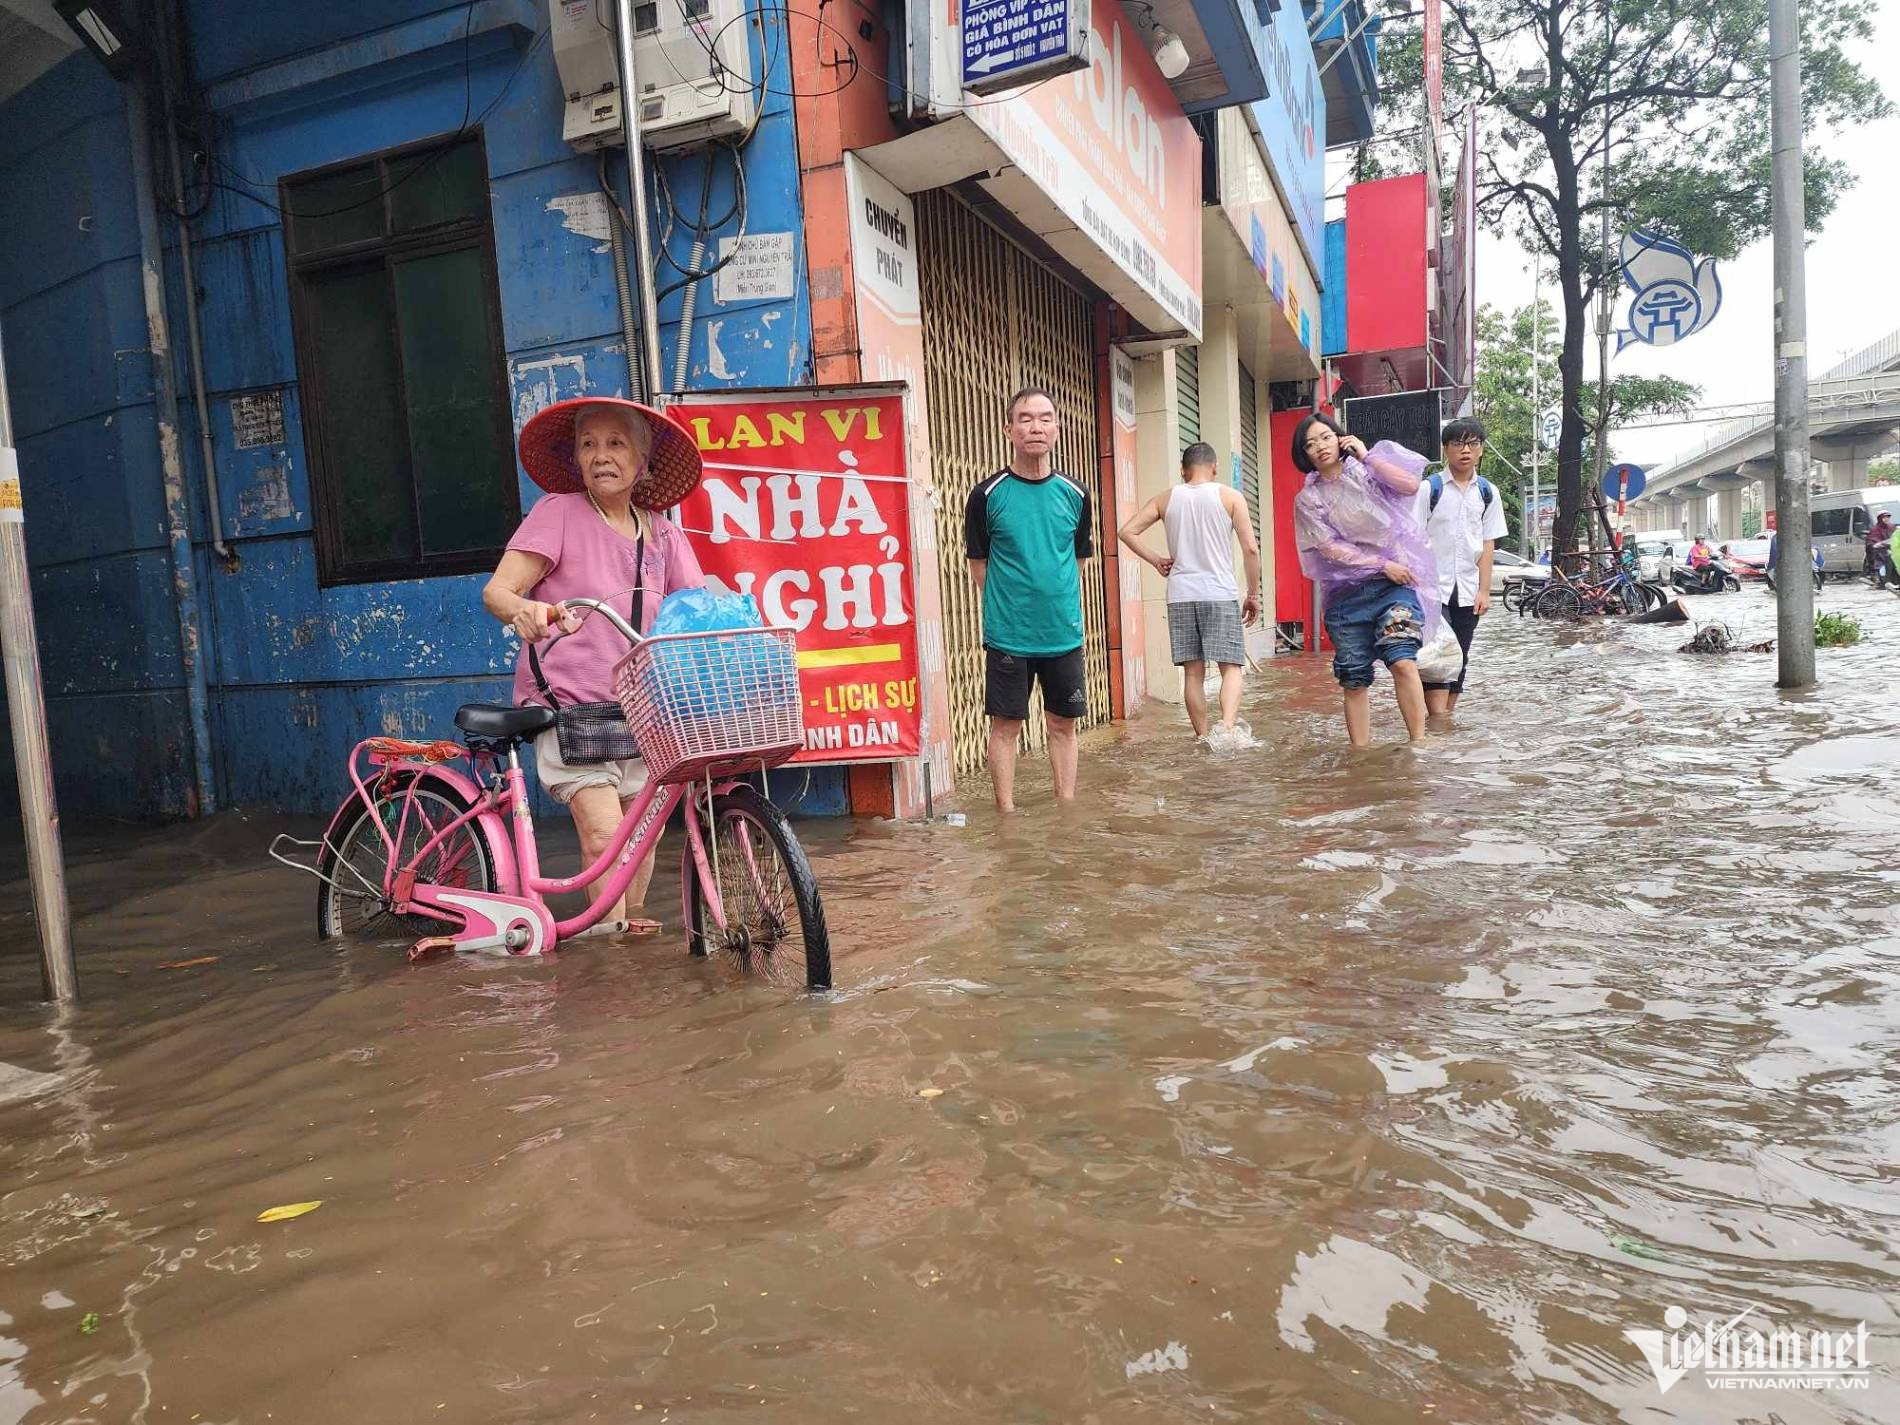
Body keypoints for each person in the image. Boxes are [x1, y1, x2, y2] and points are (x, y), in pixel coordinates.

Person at [482, 397, 706, 931]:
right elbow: (497, 591)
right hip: (569, 710)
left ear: (643, 461)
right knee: (605, 833)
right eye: (589, 444)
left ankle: (628, 937)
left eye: (615, 443)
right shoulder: (557, 514)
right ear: (578, 461)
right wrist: (526, 609)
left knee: (643, 831)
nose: (600, 455)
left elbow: (695, 611)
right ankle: (610, 948)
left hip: (641, 711)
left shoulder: (665, 535)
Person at [965, 388, 1093, 812]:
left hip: (1063, 633)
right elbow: (979, 566)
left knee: (1063, 724)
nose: (1035, 426)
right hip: (1009, 636)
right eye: (1025, 418)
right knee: (1006, 726)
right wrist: (1011, 608)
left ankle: (1067, 812)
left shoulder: (1076, 495)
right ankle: (1006, 816)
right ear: (1009, 430)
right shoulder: (986, 495)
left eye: (1044, 418)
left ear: (1057, 428)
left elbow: (1074, 561)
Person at [1291, 414, 1438, 747]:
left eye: (1325, 437)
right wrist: (1380, 564)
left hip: (1395, 585)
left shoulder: (1367, 472)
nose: (1320, 447)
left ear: (1340, 438)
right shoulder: (1308, 500)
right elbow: (1329, 549)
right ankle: (1360, 755)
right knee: (1353, 678)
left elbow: (1410, 486)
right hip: (1346, 597)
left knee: (1401, 657)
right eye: (1310, 444)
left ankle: (1420, 743)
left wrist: (1367, 456)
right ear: (1304, 454)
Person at [1116, 442, 1262, 739]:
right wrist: (1253, 593)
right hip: (1219, 593)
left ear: (1183, 470)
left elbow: (1126, 531)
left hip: (1181, 594)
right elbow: (1250, 548)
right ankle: (1228, 729)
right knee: (1231, 667)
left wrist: (1157, 560)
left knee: (1193, 673)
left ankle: (1202, 737)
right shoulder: (1231, 497)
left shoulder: (1166, 498)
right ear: (1215, 467)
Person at [1412, 417, 1508, 717]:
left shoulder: (1488, 493)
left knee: (1460, 657)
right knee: (1435, 655)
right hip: (1431, 591)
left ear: (1481, 450)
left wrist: (1484, 590)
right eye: (1458, 443)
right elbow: (1412, 538)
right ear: (1445, 450)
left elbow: (1488, 543)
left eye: (1473, 443)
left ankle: (1443, 721)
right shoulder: (1430, 489)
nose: (1465, 450)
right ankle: (1438, 721)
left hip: (1468, 591)